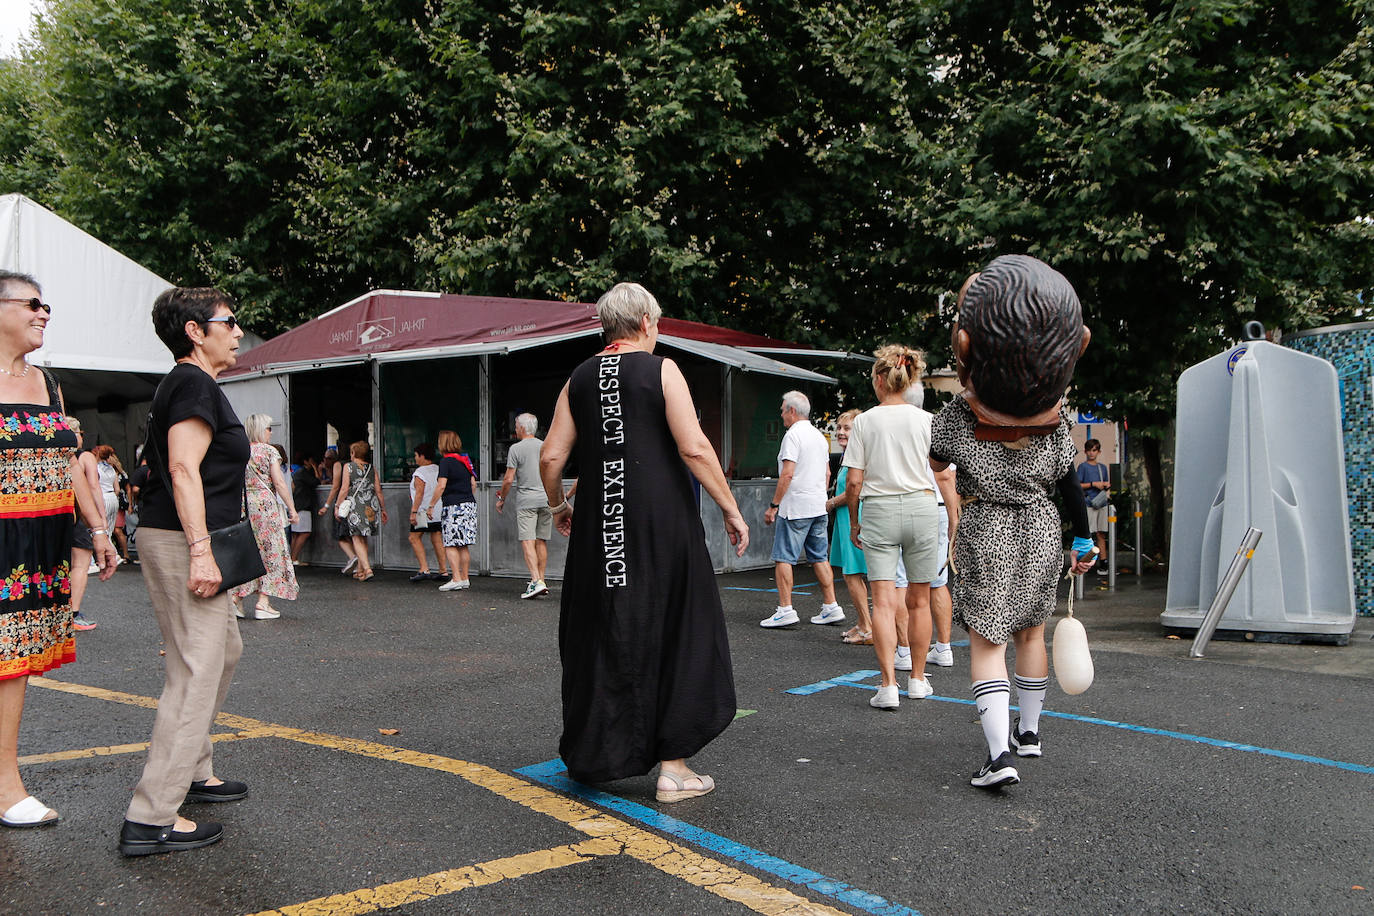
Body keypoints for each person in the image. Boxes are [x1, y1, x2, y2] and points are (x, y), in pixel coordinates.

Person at [539, 281, 748, 802]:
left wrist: (559, 506)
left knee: (601, 625)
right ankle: (673, 769)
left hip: (598, 529)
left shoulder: (579, 377)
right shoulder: (662, 369)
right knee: (677, 621)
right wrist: (730, 508)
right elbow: (695, 447)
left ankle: (596, 754)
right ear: (648, 324)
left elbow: (550, 458)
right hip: (660, 523)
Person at [929, 255, 1096, 790]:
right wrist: (1084, 536)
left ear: (966, 349)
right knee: (1031, 632)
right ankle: (1030, 732)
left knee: (986, 641)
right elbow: (1070, 481)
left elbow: (936, 461)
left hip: (987, 529)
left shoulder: (955, 416)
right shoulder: (1059, 422)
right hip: (1043, 527)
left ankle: (998, 756)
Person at [119, 286, 250, 856]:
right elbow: (181, 467)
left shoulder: (190, 383)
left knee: (223, 650)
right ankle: (152, 816)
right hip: (182, 539)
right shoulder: (193, 382)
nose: (238, 330)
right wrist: (201, 550)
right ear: (195, 331)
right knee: (195, 670)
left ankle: (194, 767)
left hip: (180, 535)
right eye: (229, 321)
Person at [0, 271, 115, 830]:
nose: (44, 314)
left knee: (12, 667)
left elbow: (69, 463)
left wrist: (97, 531)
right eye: (33, 304)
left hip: (40, 542)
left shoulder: (48, 381)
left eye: (47, 306)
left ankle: (6, 784)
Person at [842, 345, 950, 710]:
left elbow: (854, 481)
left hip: (879, 510)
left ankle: (888, 685)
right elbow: (944, 473)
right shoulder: (928, 420)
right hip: (922, 506)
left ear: (878, 378)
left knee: (884, 603)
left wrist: (854, 521)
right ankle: (918, 680)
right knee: (920, 601)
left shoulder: (865, 421)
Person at [760, 391, 843, 628]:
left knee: (783, 557)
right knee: (819, 557)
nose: (781, 413)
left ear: (792, 411)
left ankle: (785, 609)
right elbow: (827, 473)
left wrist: (774, 505)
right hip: (817, 504)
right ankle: (831, 606)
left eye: (783, 409)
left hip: (795, 506)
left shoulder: (792, 436)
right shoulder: (818, 436)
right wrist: (818, 495)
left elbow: (787, 473)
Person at [229, 414, 298, 619]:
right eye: (269, 428)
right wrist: (291, 508)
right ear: (261, 430)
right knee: (270, 551)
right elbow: (278, 482)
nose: (271, 432)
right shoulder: (269, 451)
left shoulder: (240, 451)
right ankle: (263, 602)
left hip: (244, 506)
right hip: (266, 506)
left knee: (246, 552)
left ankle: (237, 599)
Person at [826, 409, 872, 645]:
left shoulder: (860, 454)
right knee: (850, 573)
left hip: (855, 517)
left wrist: (831, 502)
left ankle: (867, 627)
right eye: (839, 428)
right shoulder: (848, 455)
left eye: (847, 428)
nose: (841, 433)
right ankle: (863, 623)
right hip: (847, 517)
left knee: (853, 573)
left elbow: (856, 488)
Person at [497, 413, 552, 599]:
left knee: (528, 540)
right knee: (541, 540)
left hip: (527, 500)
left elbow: (508, 479)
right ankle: (541, 580)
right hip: (546, 499)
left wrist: (502, 498)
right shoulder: (545, 445)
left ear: (521, 428)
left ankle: (535, 581)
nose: (515, 429)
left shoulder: (516, 449)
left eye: (516, 426)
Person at [65, 418, 104, 631]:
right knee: (80, 561)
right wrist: (99, 522)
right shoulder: (83, 456)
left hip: (49, 511)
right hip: (74, 511)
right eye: (80, 432)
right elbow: (93, 487)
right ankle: (73, 613)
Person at [429, 430, 477, 591]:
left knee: (450, 543)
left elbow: (441, 485)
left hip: (453, 506)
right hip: (469, 504)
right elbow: (473, 485)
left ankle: (455, 578)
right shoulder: (465, 460)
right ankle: (465, 577)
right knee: (463, 544)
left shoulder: (446, 462)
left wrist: (431, 505)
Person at [340, 441, 386, 580]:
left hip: (356, 505)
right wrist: (383, 508)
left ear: (353, 453)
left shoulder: (348, 467)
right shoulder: (372, 468)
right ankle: (360, 571)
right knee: (363, 538)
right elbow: (378, 490)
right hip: (371, 505)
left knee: (356, 537)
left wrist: (337, 505)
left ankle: (367, 569)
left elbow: (344, 488)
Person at [406, 443, 449, 582]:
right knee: (436, 537)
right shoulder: (438, 469)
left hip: (423, 511)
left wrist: (414, 512)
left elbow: (419, 494)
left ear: (422, 456)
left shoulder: (420, 473)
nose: (415, 458)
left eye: (416, 455)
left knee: (414, 538)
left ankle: (424, 568)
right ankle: (443, 570)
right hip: (438, 510)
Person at [318, 441, 359, 574]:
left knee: (341, 535)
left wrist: (327, 505)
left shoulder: (339, 465)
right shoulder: (360, 466)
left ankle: (353, 558)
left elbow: (336, 487)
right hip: (357, 503)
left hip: (343, 504)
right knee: (354, 536)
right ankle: (360, 564)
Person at [1077, 438, 1111, 575]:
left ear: (1098, 451)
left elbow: (1106, 484)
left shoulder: (1102, 467)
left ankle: (1103, 562)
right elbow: (1078, 485)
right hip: (1089, 503)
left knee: (1101, 533)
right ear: (1085, 451)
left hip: (1101, 503)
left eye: (1094, 450)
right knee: (1089, 534)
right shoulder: (1083, 467)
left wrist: (1104, 486)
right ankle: (1086, 562)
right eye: (1089, 450)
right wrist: (1093, 484)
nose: (1092, 453)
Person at [289, 452, 319, 565]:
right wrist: (316, 468)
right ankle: (294, 558)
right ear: (307, 461)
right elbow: (316, 481)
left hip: (297, 504)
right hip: (304, 505)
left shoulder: (297, 473)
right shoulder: (304, 473)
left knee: (296, 534)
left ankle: (292, 558)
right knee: (305, 532)